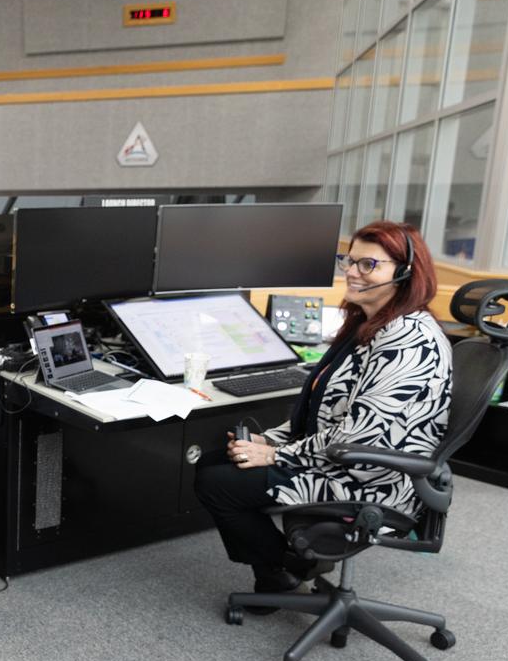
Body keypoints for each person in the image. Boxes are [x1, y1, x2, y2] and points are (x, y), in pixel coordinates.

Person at [194, 221, 452, 602]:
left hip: (372, 476)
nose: (351, 271)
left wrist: (275, 454)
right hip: (339, 456)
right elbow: (325, 410)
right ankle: (276, 573)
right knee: (213, 462)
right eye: (349, 261)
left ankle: (287, 566)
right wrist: (271, 439)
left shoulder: (409, 341)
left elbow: (360, 437)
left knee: (219, 482)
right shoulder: (370, 324)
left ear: (404, 273)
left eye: (369, 264)